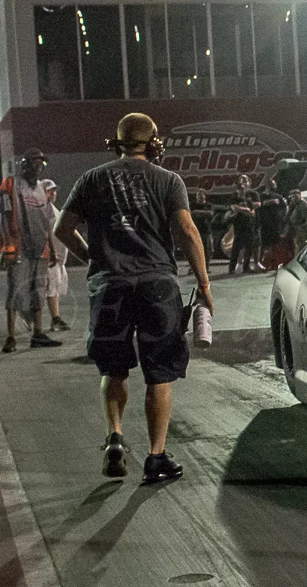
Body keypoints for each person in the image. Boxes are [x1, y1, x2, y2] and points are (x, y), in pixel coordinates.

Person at [54, 112, 213, 484]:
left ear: (117, 143)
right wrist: (204, 285)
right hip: (158, 285)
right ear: (154, 143)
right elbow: (187, 231)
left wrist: (92, 257)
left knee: (114, 369)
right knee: (159, 375)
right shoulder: (168, 180)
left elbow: (62, 228)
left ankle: (115, 436)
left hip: (110, 286)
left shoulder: (92, 178)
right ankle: (156, 458)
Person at [3, 150, 62, 352]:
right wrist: (7, 246)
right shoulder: (10, 185)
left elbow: (46, 223)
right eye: (34, 162)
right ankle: (11, 337)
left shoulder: (42, 189)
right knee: (16, 290)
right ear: (24, 164)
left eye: (41, 164)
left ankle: (38, 333)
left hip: (40, 247)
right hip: (19, 247)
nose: (37, 167)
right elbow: (4, 216)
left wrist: (51, 249)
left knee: (38, 290)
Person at [41, 179, 71, 331]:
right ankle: (55, 319)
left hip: (59, 258)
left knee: (56, 288)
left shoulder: (53, 209)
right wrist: (51, 253)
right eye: (50, 191)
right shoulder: (43, 210)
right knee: (51, 288)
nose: (53, 193)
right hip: (51, 257)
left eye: (54, 190)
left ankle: (30, 314)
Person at [227, 174, 260, 274]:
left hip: (249, 225)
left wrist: (240, 209)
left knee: (249, 247)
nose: (242, 189)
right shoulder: (234, 198)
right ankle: (231, 268)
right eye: (240, 188)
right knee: (236, 248)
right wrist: (245, 210)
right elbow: (233, 208)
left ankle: (246, 267)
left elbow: (252, 213)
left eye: (244, 188)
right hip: (239, 226)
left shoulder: (249, 200)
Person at [256, 178, 287, 266]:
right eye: (272, 184)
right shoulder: (261, 196)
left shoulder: (278, 196)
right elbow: (259, 205)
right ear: (267, 185)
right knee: (263, 244)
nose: (274, 186)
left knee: (275, 244)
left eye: (274, 184)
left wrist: (281, 217)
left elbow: (284, 208)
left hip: (276, 224)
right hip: (264, 224)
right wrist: (270, 202)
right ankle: (260, 263)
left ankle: (275, 262)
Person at [189, 189, 215, 263]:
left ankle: (206, 267)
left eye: (201, 195)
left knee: (207, 251)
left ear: (205, 196)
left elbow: (210, 213)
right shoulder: (192, 205)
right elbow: (190, 213)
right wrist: (203, 213)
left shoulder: (209, 205)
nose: (200, 196)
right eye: (198, 195)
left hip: (206, 231)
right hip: (195, 230)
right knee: (194, 250)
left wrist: (197, 212)